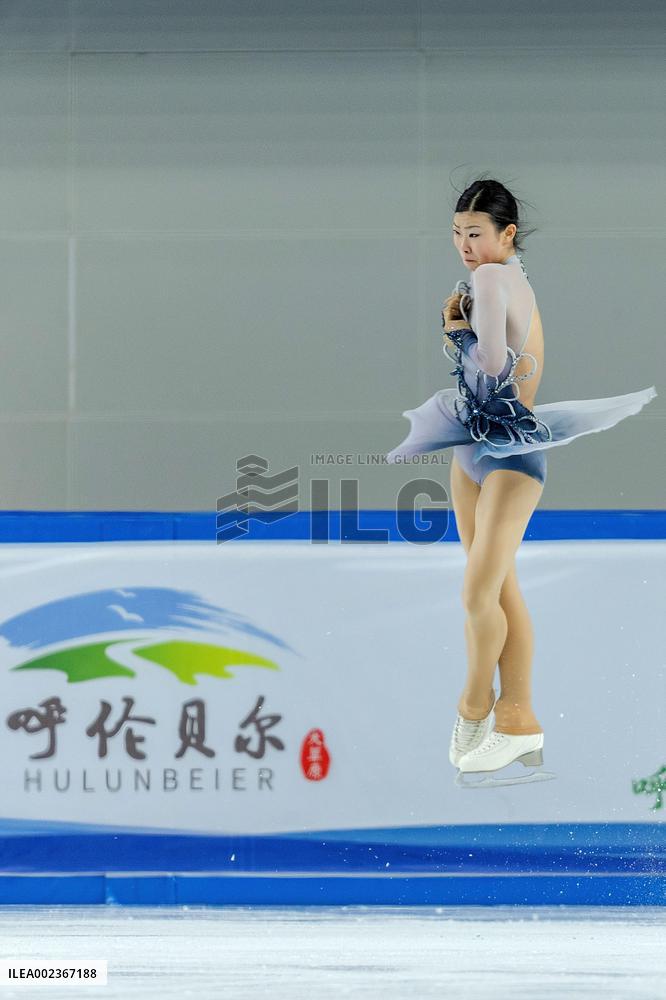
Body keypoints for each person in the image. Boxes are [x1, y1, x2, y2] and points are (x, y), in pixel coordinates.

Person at [385, 178, 657, 787]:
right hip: (477, 447)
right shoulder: (511, 279)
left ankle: (474, 707)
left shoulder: (489, 279)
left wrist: (456, 332)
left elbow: (491, 363)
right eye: (456, 233)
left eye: (475, 233)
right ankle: (518, 721)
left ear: (507, 234)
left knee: (477, 594)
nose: (464, 245)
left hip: (508, 452)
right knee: (500, 592)